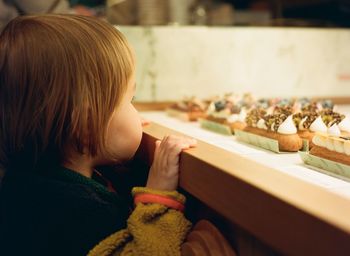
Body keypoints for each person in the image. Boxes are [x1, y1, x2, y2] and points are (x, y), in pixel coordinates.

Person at [0, 14, 196, 256]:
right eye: (129, 101)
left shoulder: (28, 184)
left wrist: (116, 127)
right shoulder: (77, 212)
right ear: (87, 124)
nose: (136, 114)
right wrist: (157, 202)